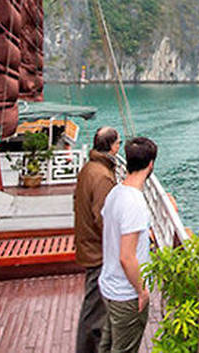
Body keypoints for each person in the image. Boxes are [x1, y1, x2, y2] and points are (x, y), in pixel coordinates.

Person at [98, 136, 158, 353]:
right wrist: (142, 291)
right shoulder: (134, 203)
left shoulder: (115, 193)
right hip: (126, 294)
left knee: (108, 344)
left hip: (109, 285)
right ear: (150, 164)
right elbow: (127, 256)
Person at [73, 126, 120, 353]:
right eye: (118, 143)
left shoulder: (89, 168)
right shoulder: (102, 176)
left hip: (88, 244)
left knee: (94, 307)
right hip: (97, 251)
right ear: (112, 146)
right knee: (94, 310)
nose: (119, 147)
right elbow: (104, 218)